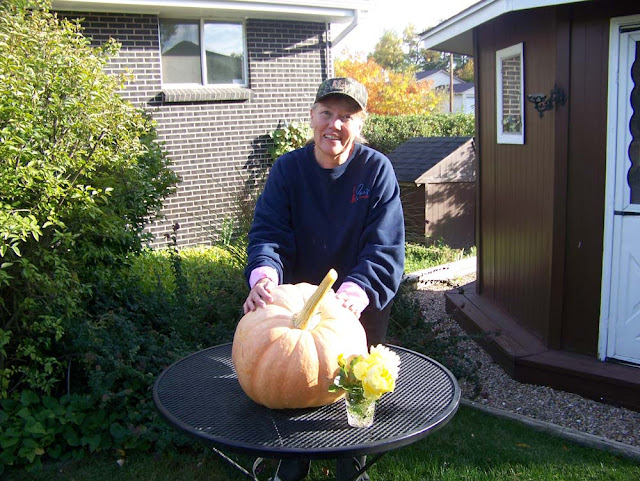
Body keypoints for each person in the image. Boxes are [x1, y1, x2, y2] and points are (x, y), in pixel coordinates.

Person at [243, 77, 405, 481]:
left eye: (346, 116)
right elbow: (269, 233)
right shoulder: (288, 170)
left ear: (360, 124)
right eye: (327, 113)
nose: (335, 124)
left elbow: (385, 247)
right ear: (312, 116)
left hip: (358, 305)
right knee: (293, 382)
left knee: (356, 394)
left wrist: (356, 291)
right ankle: (292, 463)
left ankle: (352, 466)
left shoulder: (376, 170)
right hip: (295, 308)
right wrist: (264, 276)